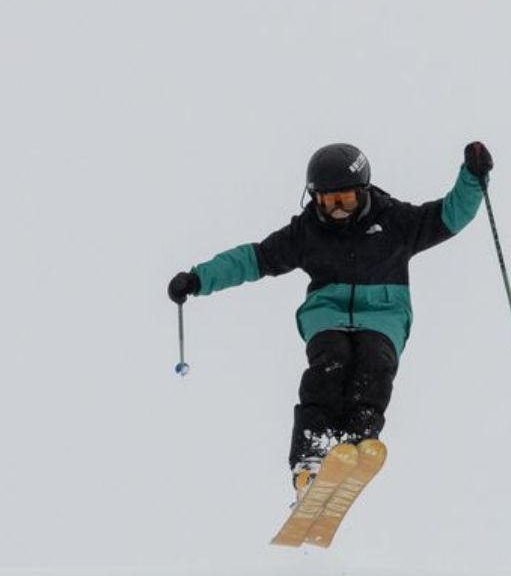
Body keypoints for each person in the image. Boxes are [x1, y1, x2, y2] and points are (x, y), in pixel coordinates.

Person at [167, 140, 492, 490]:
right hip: (328, 313)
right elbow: (254, 258)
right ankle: (312, 452)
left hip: (383, 314)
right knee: (330, 362)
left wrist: (473, 177)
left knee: (374, 362)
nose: (337, 211)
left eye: (345, 200)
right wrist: (199, 278)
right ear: (313, 197)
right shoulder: (308, 232)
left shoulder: (395, 221)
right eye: (327, 201)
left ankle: (359, 437)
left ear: (363, 192)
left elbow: (450, 215)